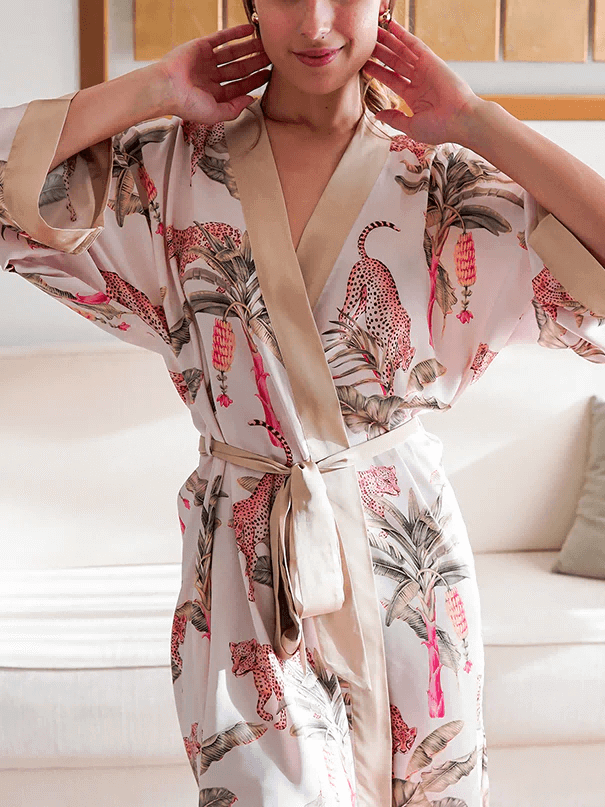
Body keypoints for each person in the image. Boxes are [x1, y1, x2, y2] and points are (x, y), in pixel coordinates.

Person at [2, 1, 605, 805]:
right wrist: (151, 89)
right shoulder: (172, 167)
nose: (316, 24)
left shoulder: (438, 182)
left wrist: (475, 119)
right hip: (244, 562)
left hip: (406, 561)